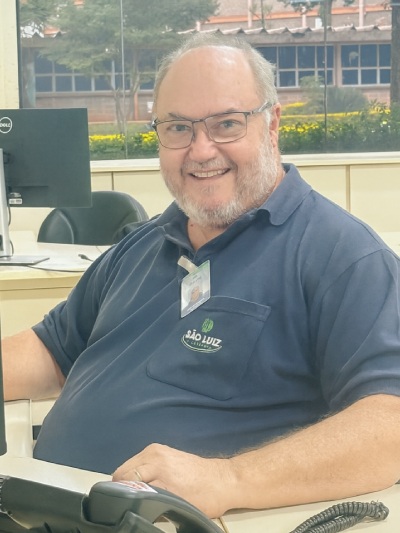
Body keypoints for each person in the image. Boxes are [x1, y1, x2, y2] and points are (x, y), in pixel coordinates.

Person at [3, 33, 400, 520]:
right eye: (178, 128)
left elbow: (389, 424)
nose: (201, 150)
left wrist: (228, 479)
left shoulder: (343, 257)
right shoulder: (142, 244)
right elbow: (51, 350)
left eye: (227, 124)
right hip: (45, 506)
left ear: (273, 124)